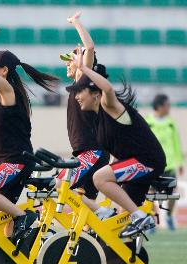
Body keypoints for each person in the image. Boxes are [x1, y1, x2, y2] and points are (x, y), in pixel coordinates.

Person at [68, 46, 166, 237]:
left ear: (95, 94)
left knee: (99, 178)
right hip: (137, 163)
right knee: (121, 223)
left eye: (80, 92)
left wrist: (85, 68)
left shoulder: (108, 105)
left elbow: (107, 88)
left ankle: (140, 217)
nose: (77, 96)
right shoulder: (97, 121)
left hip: (148, 161)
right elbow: (118, 152)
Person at [0, 28, 59, 242]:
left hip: (15, 161)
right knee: (5, 221)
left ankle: (24, 216)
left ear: (4, 71)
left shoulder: (8, 91)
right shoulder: (8, 90)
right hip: (16, 161)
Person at [57, 11, 110, 218]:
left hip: (92, 152)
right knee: (82, 205)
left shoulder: (84, 81)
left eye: (70, 60)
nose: (67, 64)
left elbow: (89, 47)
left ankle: (104, 212)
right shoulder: (76, 86)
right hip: (86, 152)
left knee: (61, 184)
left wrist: (76, 23)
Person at [146, 94, 184, 230]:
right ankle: (151, 220)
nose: (169, 108)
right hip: (153, 164)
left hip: (170, 164)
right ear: (160, 106)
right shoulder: (148, 122)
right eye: (167, 105)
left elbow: (176, 143)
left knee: (172, 193)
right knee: (150, 193)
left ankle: (168, 217)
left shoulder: (170, 123)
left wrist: (180, 162)